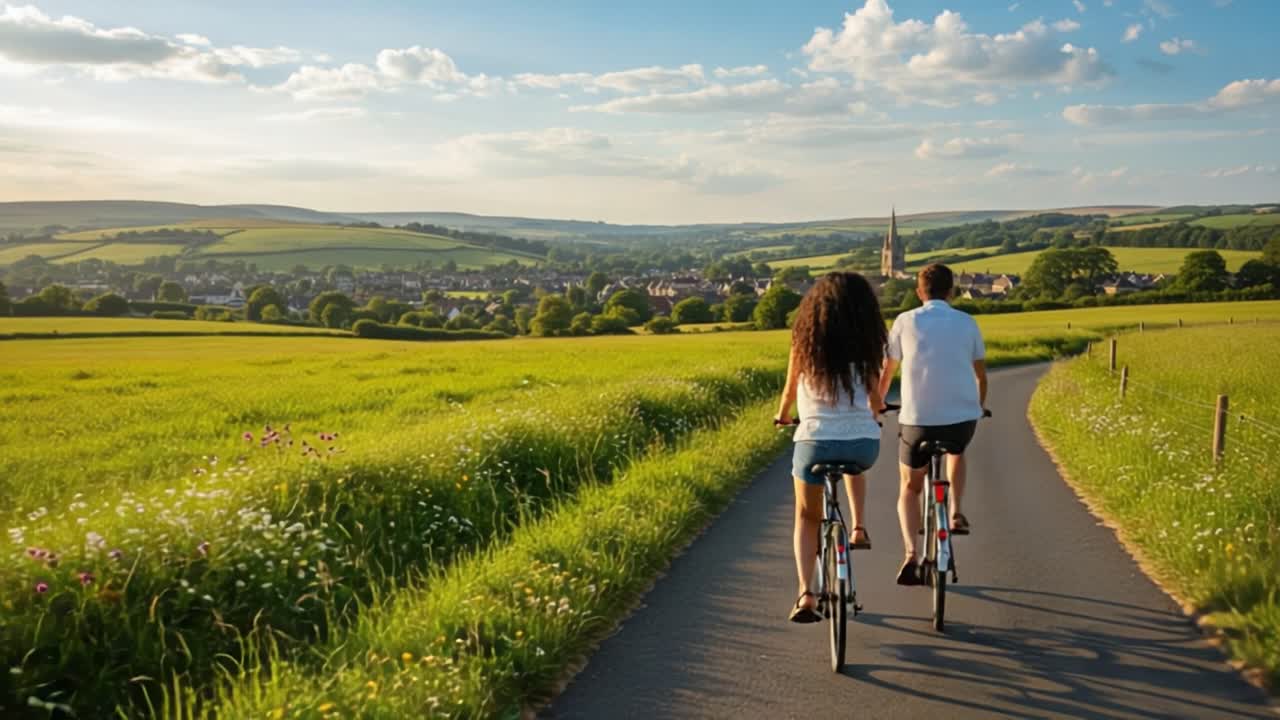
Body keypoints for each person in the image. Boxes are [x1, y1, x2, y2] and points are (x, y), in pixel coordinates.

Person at [774, 272, 887, 623]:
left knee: (807, 516)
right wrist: (876, 412)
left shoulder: (804, 342)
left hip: (814, 441)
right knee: (854, 465)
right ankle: (857, 525)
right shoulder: (867, 344)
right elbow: (874, 398)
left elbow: (790, 393)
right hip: (863, 445)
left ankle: (806, 593)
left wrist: (781, 417)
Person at [878, 263, 987, 586]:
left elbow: (887, 371)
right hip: (962, 421)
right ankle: (955, 511)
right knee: (957, 450)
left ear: (918, 292)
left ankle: (911, 553)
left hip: (917, 422)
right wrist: (978, 407)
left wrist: (879, 403)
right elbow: (981, 376)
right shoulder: (967, 322)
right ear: (950, 291)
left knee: (910, 487)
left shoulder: (904, 321)